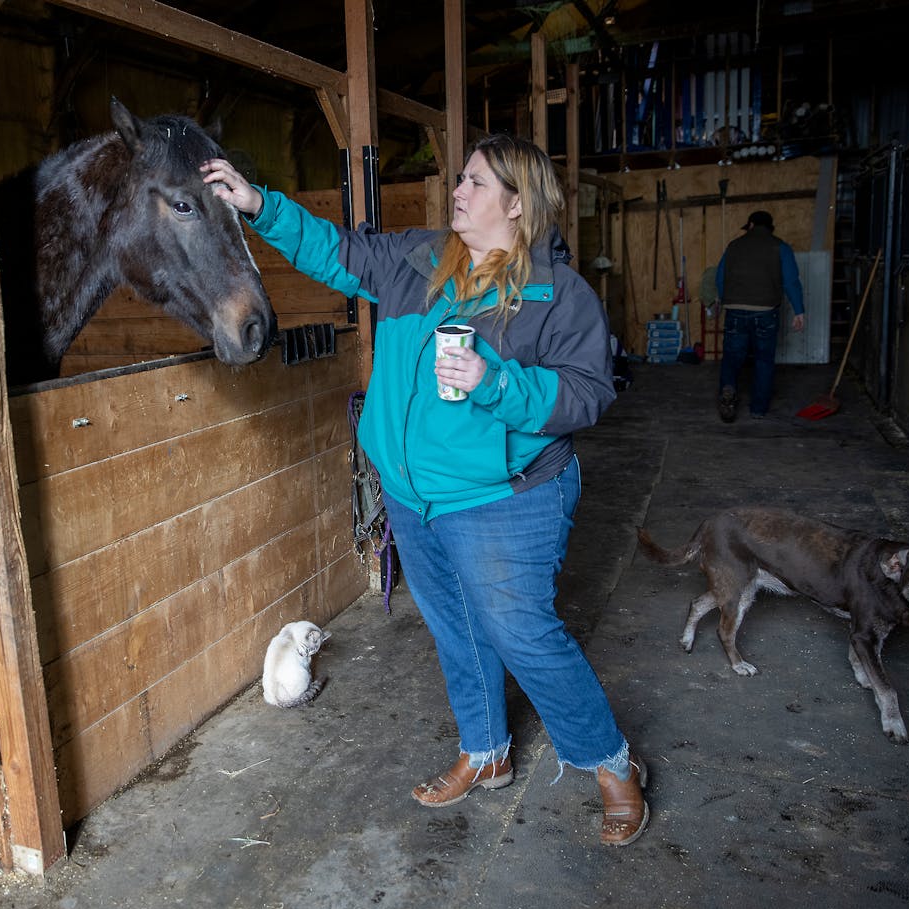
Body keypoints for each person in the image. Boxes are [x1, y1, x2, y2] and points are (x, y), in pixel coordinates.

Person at [202, 135, 650, 847]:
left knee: (523, 634)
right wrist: (258, 205)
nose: (459, 192)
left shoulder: (558, 295)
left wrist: (496, 382)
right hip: (415, 496)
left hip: (505, 497)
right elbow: (334, 251)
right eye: (462, 179)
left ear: (515, 201)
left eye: (474, 182)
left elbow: (590, 394)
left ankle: (609, 763)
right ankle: (486, 752)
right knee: (455, 629)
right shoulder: (421, 261)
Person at [714, 210, 806, 422]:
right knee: (764, 361)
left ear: (751, 225)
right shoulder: (780, 247)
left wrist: (724, 298)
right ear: (769, 227)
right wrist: (799, 310)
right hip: (766, 311)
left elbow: (720, 278)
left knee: (732, 358)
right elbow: (791, 281)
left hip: (735, 310)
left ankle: (728, 392)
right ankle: (758, 409)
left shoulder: (733, 246)